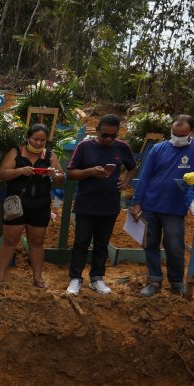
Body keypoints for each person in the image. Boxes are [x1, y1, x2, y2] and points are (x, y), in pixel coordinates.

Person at [131, 114, 194, 296]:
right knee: (150, 244)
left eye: (182, 135)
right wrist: (137, 201)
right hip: (150, 204)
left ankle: (175, 282)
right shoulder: (158, 148)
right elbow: (145, 176)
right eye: (174, 133)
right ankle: (154, 280)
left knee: (174, 245)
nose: (177, 137)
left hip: (175, 207)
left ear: (191, 132)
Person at [66, 114, 136, 295]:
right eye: (105, 135)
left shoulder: (122, 147)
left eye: (113, 136)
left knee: (102, 243)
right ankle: (75, 278)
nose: (109, 139)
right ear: (97, 131)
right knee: (81, 243)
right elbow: (71, 173)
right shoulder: (84, 147)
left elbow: (132, 166)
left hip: (109, 204)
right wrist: (90, 171)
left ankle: (97, 278)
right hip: (86, 203)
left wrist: (126, 181)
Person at [0, 124, 65, 288]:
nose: (39, 143)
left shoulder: (50, 155)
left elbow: (61, 178)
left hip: (40, 204)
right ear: (28, 138)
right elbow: (2, 173)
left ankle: (38, 278)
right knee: (10, 241)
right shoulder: (16, 152)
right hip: (16, 204)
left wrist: (55, 174)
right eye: (35, 139)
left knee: (37, 242)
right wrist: (20, 171)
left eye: (43, 140)